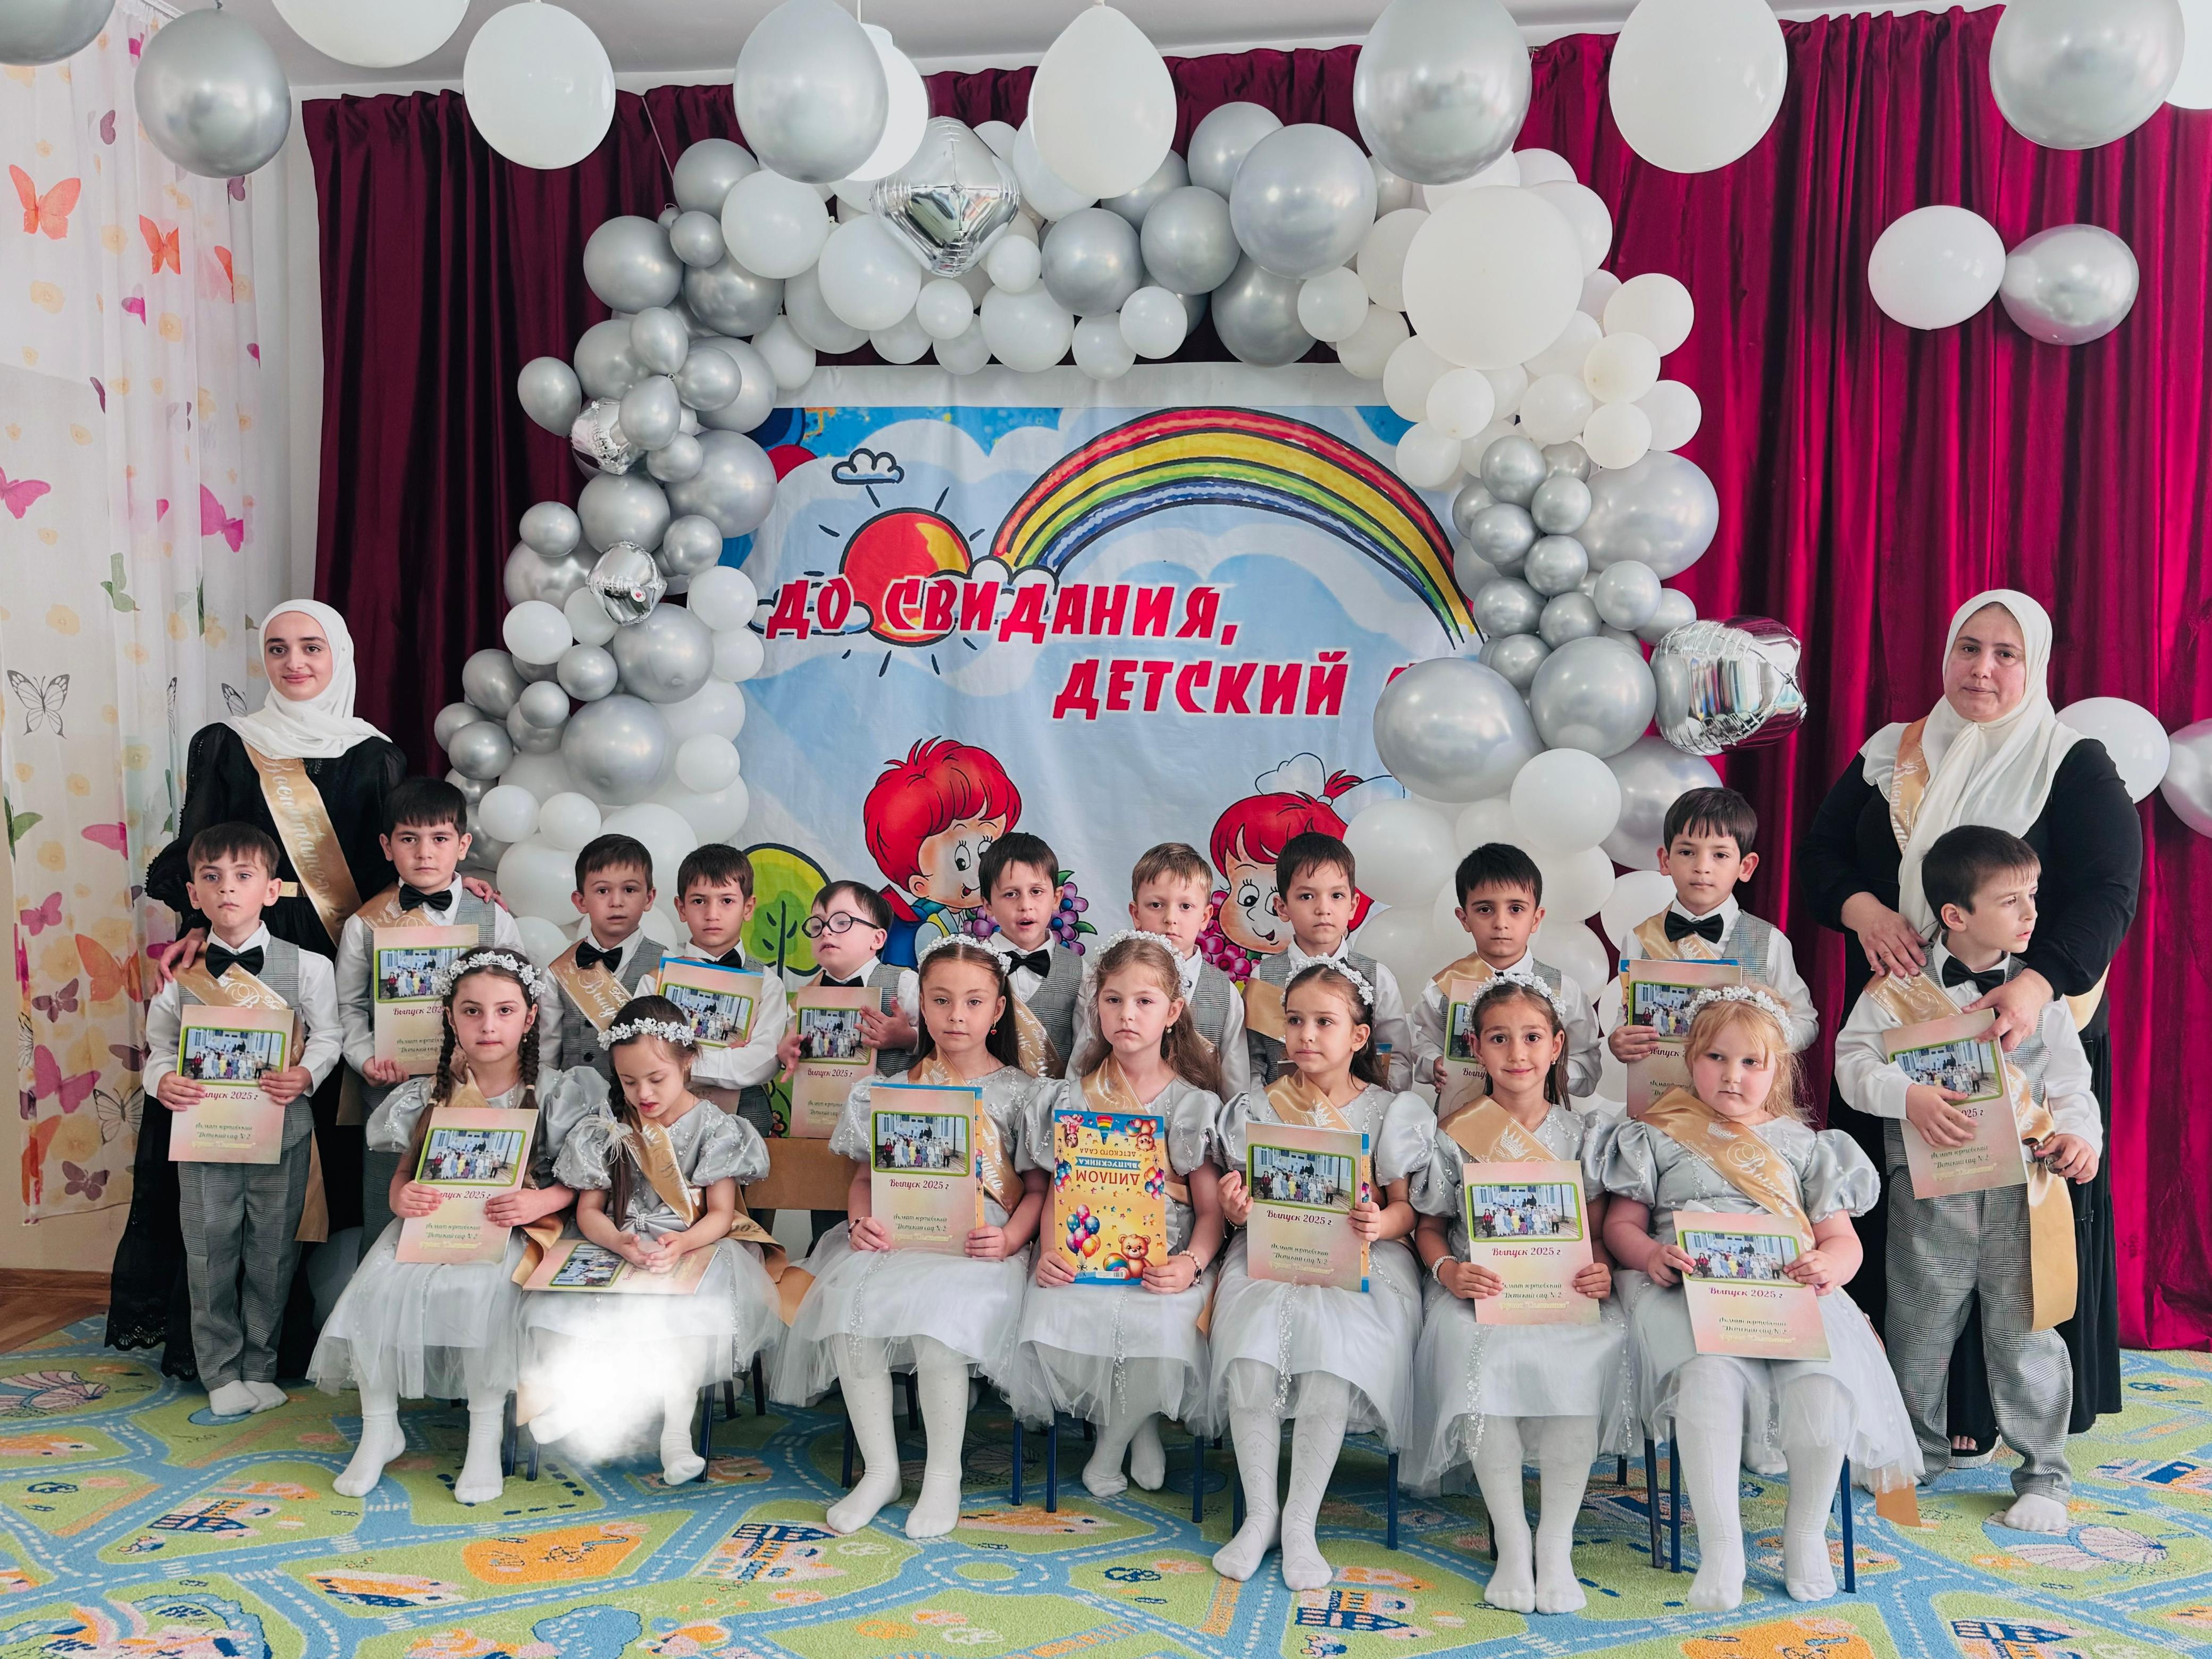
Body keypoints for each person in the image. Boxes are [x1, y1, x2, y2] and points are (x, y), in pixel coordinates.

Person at [1799, 588, 2139, 1448]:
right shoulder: (1891, 752)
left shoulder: (2072, 761)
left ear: (2036, 665)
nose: (1982, 669)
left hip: (2028, 1021)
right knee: (1917, 1248)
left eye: (2005, 653)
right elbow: (1820, 858)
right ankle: (1905, 1422)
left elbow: (2110, 892)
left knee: (2013, 1246)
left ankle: (2018, 1431)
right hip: (1902, 1024)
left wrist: (2037, 986)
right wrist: (1865, 912)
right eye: (1968, 648)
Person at [112, 601, 414, 1378]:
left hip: (334, 968)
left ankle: (298, 1339)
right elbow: (200, 852)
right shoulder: (226, 744)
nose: (294, 662)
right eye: (277, 649)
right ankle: (208, 1344)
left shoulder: (374, 753)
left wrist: (463, 887)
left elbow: (392, 862)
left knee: (312, 1151)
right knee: (221, 1142)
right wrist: (196, 926)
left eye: (312, 647)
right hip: (238, 953)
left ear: (339, 655)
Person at [1596, 985, 1920, 1611]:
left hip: (1788, 1290)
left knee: (1821, 1384)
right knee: (1706, 1377)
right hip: (1687, 1289)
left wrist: (1829, 1264)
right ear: (1690, 1059)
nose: (1732, 1075)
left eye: (1750, 1062)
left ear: (1777, 1071)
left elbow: (1841, 1241)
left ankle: (1804, 1535)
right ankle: (1721, 1546)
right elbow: (1619, 1226)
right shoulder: (1654, 1134)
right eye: (1716, 1058)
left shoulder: (1806, 1145)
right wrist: (1648, 1255)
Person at [1833, 825, 2101, 1531]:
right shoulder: (1895, 988)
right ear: (1955, 914)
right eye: (2011, 900)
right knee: (1917, 1324)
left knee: (2027, 1331)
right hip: (1931, 1188)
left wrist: (2081, 1138)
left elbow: (2071, 1085)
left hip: (2025, 1190)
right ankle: (1908, 1455)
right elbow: (1851, 1064)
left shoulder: (2038, 992)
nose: (2031, 913)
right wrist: (1906, 1098)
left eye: (2033, 896)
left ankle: (2043, 1476)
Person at [772, 938, 1046, 1539]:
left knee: (937, 1328)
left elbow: (1035, 1190)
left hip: (980, 1245)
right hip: (898, 1236)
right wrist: (858, 1222)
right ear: (920, 1003)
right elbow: (864, 1180)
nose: (956, 1016)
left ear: (998, 1010)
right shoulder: (884, 1089)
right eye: (940, 1000)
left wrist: (1011, 1241)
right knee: (851, 1316)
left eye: (973, 1002)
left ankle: (943, 1475)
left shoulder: (1023, 1094)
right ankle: (881, 1472)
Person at [312, 949, 598, 1504]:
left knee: (480, 1295)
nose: (488, 1025)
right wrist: (402, 1196)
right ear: (450, 1017)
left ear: (529, 1018)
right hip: (438, 1227)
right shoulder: (430, 1093)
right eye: (472, 1011)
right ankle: (379, 1429)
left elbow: (582, 1183)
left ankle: (484, 1436)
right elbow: (402, 1175)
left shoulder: (558, 1092)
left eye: (504, 1011)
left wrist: (540, 1201)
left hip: (517, 1230)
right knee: (375, 1292)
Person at [1408, 975, 1628, 1614]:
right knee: (1478, 1357)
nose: (1516, 1053)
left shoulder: (1584, 1135)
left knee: (1582, 1359)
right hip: (1479, 1293)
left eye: (1531, 1038)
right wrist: (1447, 1271)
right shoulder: (1453, 1134)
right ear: (1476, 1049)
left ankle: (1553, 1544)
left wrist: (1600, 1268)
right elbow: (1427, 1228)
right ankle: (1510, 1539)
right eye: (1499, 1039)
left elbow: (1595, 1233)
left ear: (1556, 1046)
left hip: (1561, 1292)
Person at [1206, 962, 1429, 1590]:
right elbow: (1242, 1200)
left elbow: (1406, 1211)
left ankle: (1300, 1522)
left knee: (1331, 1360)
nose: (1305, 1035)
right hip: (1272, 1251)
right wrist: (1234, 1207)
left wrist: (1380, 1223)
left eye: (1323, 1022)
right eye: (1294, 1020)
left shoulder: (1389, 1111)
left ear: (1357, 1036)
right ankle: (1259, 1515)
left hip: (1360, 1258)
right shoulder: (1257, 1106)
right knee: (1251, 1357)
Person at [525, 995, 783, 1487]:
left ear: (688, 1062)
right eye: (629, 1081)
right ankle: (584, 1401)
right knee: (575, 1303)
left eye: (656, 1079)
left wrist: (680, 1246)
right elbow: (589, 1212)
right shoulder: (608, 1124)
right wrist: (620, 1243)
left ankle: (675, 1436)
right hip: (620, 1242)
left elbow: (722, 1214)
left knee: (680, 1318)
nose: (643, 1094)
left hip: (690, 1245)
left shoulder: (716, 1128)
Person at [1011, 933, 1228, 1498]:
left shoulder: (1192, 1104)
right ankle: (1140, 1427)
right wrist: (1050, 1249)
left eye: (1143, 1001)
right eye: (1113, 1000)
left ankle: (1109, 1450)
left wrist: (1191, 1264)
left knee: (1164, 1325)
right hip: (1086, 1253)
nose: (1126, 1014)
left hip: (1165, 1259)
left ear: (1172, 1013)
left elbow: (1210, 1212)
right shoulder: (1072, 1098)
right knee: (1061, 1310)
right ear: (1097, 1007)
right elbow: (1058, 1192)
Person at [142, 824, 344, 1419]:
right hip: (202, 1136)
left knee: (273, 1255)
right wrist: (162, 1081)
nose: (227, 888)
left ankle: (260, 1365)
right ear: (194, 895)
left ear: (272, 890)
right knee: (210, 1253)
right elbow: (158, 1048)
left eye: (243, 876)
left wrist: (306, 1073)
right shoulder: (180, 973)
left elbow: (330, 1035)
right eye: (212, 878)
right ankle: (220, 1371)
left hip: (283, 1131)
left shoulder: (309, 966)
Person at [336, 777, 538, 1246]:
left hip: (480, 1086)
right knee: (387, 1208)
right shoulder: (364, 923)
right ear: (387, 846)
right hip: (393, 1088)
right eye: (409, 839)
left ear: (463, 845)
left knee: (472, 1210)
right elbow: (350, 1005)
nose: (424, 853)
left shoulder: (492, 916)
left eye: (440, 839)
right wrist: (366, 1058)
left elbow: (521, 997)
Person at [1606, 787, 1817, 1065]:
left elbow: (1805, 1021)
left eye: (1720, 855)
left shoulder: (1770, 942)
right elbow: (1627, 1013)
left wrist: (1763, 1041)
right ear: (1666, 861)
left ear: (1746, 867)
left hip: (1739, 1088)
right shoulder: (1638, 938)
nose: (1702, 867)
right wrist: (1618, 1039)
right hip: (1659, 1088)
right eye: (1687, 852)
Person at [1412, 845, 1601, 1101]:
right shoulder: (1442, 988)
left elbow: (1587, 1062)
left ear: (1536, 919)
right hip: (1461, 1117)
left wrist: (1553, 1076)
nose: (1501, 923)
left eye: (1516, 909)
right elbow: (1424, 1045)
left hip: (1537, 1119)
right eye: (1485, 910)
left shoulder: (1563, 990)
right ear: (1464, 918)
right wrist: (1433, 1064)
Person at [1072, 844, 1254, 1099]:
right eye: (1156, 905)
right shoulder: (1104, 980)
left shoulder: (1224, 994)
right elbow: (1081, 1066)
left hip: (1196, 1121)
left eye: (1185, 906)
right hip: (1111, 1118)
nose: (1170, 918)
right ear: (1136, 913)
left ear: (1205, 916)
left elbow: (1236, 1091)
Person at [1241, 831, 1413, 1090]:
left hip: (1361, 1111)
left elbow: (1397, 1059)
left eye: (1336, 896)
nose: (1323, 909)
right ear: (1282, 907)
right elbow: (1254, 1061)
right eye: (1306, 896)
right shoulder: (1263, 978)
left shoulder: (1377, 977)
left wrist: (1375, 1104)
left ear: (1353, 905)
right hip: (1278, 1110)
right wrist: (1262, 1105)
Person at [650, 844, 790, 1146]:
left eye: (727, 901)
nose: (712, 914)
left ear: (748, 907)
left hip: (748, 1123)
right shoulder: (657, 979)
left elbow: (762, 1062)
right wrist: (728, 1059)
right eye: (699, 901)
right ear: (681, 908)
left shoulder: (769, 983)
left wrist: (681, 1065)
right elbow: (645, 1055)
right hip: (666, 1122)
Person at [543, 834, 661, 1079]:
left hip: (641, 1100)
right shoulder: (559, 971)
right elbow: (546, 1056)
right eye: (603, 891)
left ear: (649, 898)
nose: (616, 902)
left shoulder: (666, 966)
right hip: (570, 1099)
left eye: (629, 890)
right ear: (581, 901)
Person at [979, 831, 1084, 1076]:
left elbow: (1086, 1051)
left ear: (1056, 898)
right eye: (1011, 894)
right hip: (984, 1095)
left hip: (1057, 1097)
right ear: (987, 905)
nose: (1025, 905)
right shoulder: (969, 967)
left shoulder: (1081, 972)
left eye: (1036, 891)